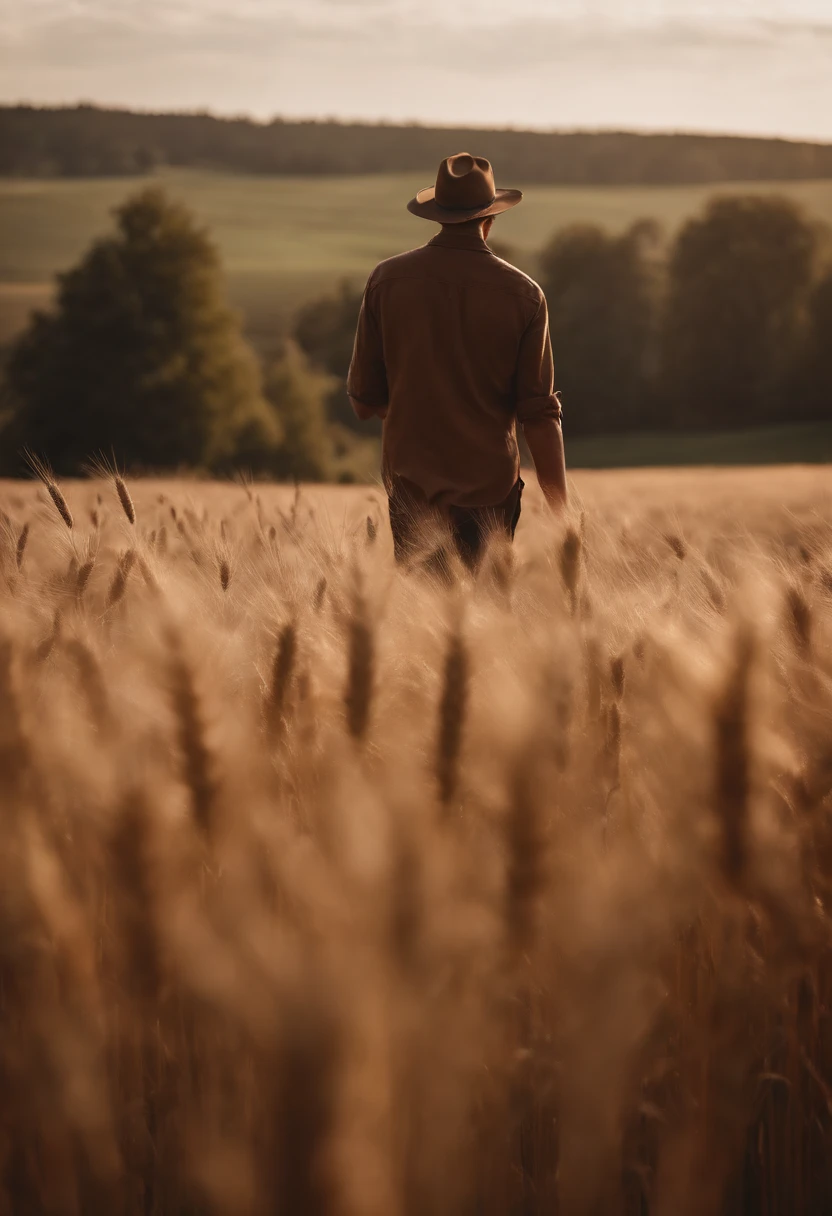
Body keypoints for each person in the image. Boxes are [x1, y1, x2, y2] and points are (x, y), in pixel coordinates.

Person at [347, 152, 568, 569]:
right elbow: (539, 415)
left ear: (437, 215)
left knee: (423, 625)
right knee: (484, 623)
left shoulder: (386, 281)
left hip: (413, 490)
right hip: (491, 492)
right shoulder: (524, 295)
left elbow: (363, 403)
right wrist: (564, 519)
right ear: (491, 219)